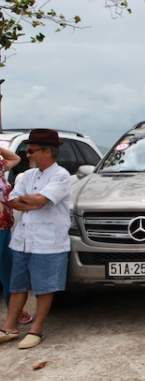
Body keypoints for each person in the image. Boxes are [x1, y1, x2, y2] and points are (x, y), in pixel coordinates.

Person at [0, 129, 71, 349]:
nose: (28, 155)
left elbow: (41, 200)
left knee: (44, 287)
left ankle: (36, 329)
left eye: (31, 151)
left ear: (47, 151)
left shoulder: (60, 175)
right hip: (23, 239)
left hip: (47, 241)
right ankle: (9, 327)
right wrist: (28, 201)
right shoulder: (25, 176)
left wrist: (29, 201)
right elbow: (11, 201)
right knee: (17, 285)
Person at [0, 146, 33, 326]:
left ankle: (14, 311)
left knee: (8, 273)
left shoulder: (0, 166)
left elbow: (15, 159)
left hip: (4, 227)